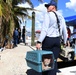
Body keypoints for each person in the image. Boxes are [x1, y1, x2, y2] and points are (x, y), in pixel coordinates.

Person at [36, 1, 67, 75]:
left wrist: (39, 41)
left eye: (48, 6)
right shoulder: (61, 16)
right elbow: (64, 30)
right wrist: (65, 41)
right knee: (54, 60)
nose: (47, 8)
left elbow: (44, 29)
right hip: (57, 40)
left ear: (53, 7)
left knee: (46, 61)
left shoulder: (48, 15)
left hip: (48, 40)